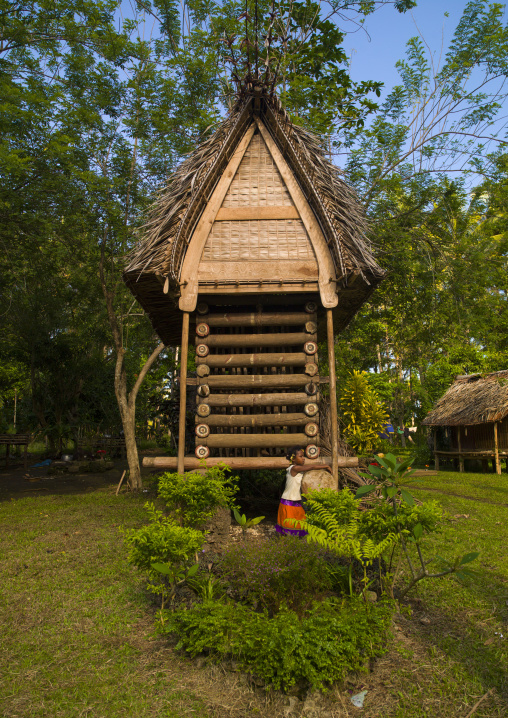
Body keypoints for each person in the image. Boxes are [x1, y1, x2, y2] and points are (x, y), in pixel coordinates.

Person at [275, 446, 332, 537]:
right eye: (300, 456)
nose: (303, 458)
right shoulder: (294, 468)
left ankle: (295, 543)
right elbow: (312, 467)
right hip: (289, 500)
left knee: (299, 522)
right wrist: (326, 466)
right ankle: (289, 544)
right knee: (290, 525)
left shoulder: (297, 469)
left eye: (303, 456)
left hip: (295, 499)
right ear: (293, 459)